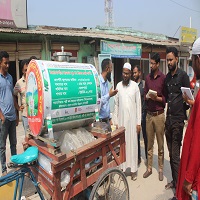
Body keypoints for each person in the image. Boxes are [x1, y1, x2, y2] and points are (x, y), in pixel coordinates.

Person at [176, 37, 200, 200]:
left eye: (192, 61)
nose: (192, 65)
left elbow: (198, 140)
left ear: (198, 60)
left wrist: (189, 177)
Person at [164, 47, 190, 192]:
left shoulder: (183, 76)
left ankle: (179, 190)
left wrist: (182, 109)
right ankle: (175, 182)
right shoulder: (167, 78)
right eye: (167, 60)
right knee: (170, 154)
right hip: (168, 120)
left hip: (178, 121)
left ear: (176, 60)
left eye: (171, 60)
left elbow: (188, 99)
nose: (168, 62)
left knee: (175, 156)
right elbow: (167, 97)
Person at [113, 62, 141, 181]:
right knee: (123, 146)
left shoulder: (135, 86)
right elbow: (116, 105)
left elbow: (138, 105)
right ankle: (123, 169)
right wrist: (115, 121)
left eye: (127, 73)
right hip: (122, 122)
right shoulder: (118, 86)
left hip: (132, 122)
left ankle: (133, 170)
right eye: (123, 73)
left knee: (133, 146)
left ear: (130, 74)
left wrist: (138, 123)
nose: (125, 75)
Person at [143, 53, 166, 181]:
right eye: (150, 63)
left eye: (153, 63)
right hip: (149, 115)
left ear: (158, 64)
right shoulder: (147, 78)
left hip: (159, 115)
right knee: (149, 144)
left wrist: (155, 98)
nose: (151, 65)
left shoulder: (163, 78)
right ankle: (149, 168)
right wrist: (147, 96)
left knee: (160, 144)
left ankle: (161, 169)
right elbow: (145, 93)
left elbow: (165, 98)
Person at [0, 51, 20, 176]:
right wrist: (1, 116)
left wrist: (17, 112)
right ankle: (3, 169)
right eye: (5, 63)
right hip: (4, 118)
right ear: (0, 63)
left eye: (8, 62)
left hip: (12, 117)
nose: (8, 65)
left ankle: (14, 164)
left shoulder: (10, 77)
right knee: (2, 146)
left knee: (14, 143)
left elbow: (13, 96)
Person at [132, 65, 147, 164]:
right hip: (135, 115)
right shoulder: (131, 85)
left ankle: (147, 159)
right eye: (133, 73)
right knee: (136, 137)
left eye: (135, 73)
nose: (134, 75)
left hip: (144, 114)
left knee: (146, 137)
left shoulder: (144, 84)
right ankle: (137, 158)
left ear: (140, 73)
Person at [99, 58, 118, 131]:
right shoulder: (98, 83)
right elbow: (98, 102)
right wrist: (109, 95)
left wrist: (110, 119)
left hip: (107, 121)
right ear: (107, 69)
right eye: (111, 68)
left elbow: (106, 103)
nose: (111, 71)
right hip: (100, 122)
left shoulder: (106, 82)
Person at [14, 59, 29, 135]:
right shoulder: (19, 83)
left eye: (29, 69)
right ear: (22, 71)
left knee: (38, 137)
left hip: (36, 115)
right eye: (25, 70)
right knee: (28, 136)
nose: (27, 72)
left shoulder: (36, 80)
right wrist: (18, 107)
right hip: (26, 115)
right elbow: (13, 94)